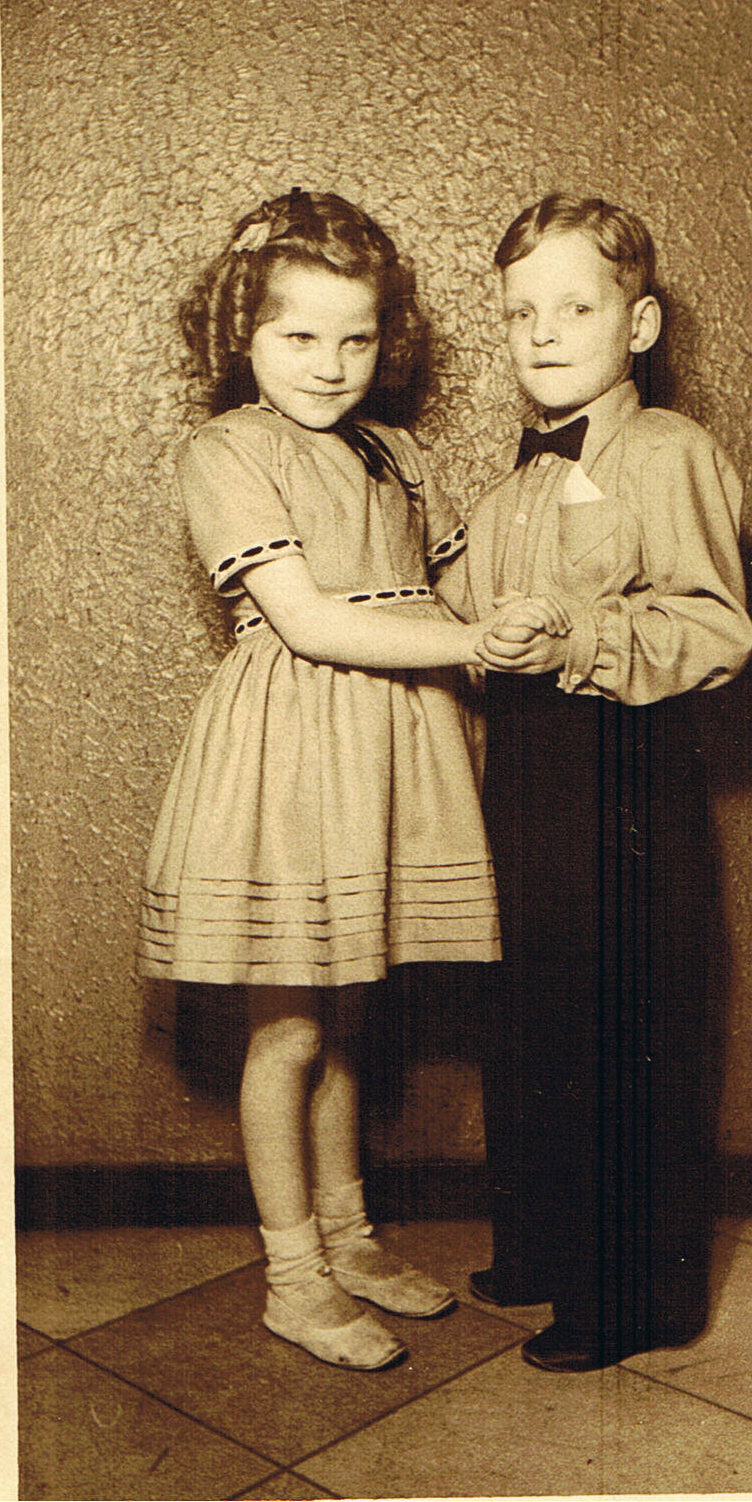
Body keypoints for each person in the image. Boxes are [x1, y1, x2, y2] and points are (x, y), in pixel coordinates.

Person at [138, 189, 536, 1371]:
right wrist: (469, 640)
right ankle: (293, 1277)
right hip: (297, 753)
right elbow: (310, 621)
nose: (329, 363)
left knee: (351, 1012)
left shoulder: (397, 453)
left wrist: (525, 610)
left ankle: (349, 1238)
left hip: (391, 747)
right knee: (291, 1026)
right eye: (300, 334)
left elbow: (451, 589)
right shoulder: (227, 450)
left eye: (355, 338)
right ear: (243, 333)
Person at [459, 194, 752, 1372]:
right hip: (529, 772)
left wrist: (576, 636)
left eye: (574, 308)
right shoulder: (510, 486)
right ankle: (545, 1246)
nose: (542, 333)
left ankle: (635, 1295)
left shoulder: (669, 450)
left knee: (630, 1030)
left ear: (639, 324)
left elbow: (716, 628)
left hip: (631, 774)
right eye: (519, 312)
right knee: (535, 1013)